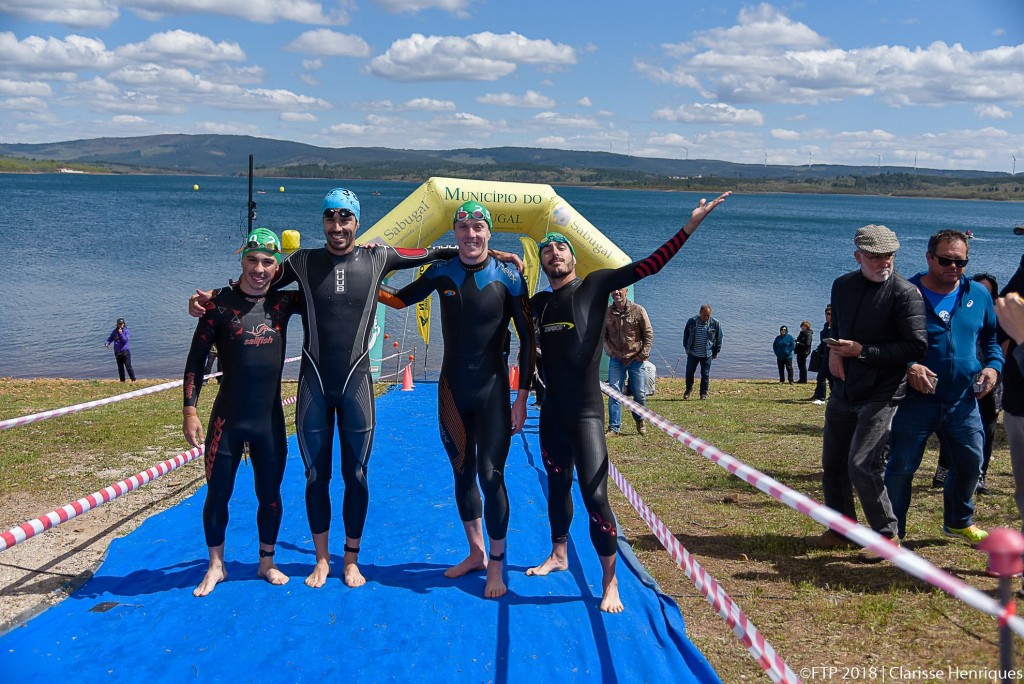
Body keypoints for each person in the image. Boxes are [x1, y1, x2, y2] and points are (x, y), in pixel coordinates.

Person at [190, 188, 461, 589]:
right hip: (314, 387)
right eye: (331, 218)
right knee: (316, 475)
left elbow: (433, 253)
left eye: (345, 218)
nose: (338, 226)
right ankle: (320, 559)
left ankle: (350, 560)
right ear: (323, 221)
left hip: (356, 385)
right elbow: (256, 283)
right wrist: (212, 297)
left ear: (356, 221)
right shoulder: (303, 261)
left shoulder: (378, 257)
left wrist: (490, 255)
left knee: (357, 474)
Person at [525, 192, 730, 613]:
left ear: (573, 258)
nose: (554, 253)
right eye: (546, 251)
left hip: (585, 412)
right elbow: (508, 323)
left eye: (560, 247)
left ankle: (610, 581)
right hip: (550, 412)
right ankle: (558, 554)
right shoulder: (540, 304)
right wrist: (504, 261)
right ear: (542, 264)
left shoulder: (596, 285)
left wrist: (690, 225)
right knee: (557, 487)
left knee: (595, 495)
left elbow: (650, 265)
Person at [378, 201, 535, 600]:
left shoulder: (509, 276)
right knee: (462, 475)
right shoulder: (441, 272)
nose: (471, 235)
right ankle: (476, 553)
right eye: (463, 228)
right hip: (451, 392)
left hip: (494, 393)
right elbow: (398, 300)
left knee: (491, 476)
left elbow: (529, 342)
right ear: (455, 234)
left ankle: (497, 567)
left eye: (478, 227)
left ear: (489, 232)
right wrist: (363, 277)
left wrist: (522, 398)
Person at [182, 228, 301, 596]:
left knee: (271, 494)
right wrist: (190, 409)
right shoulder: (218, 307)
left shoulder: (283, 304)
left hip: (269, 421)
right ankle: (216, 565)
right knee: (218, 494)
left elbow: (324, 279)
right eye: (252, 260)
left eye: (268, 262)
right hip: (227, 420)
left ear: (277, 266)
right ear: (241, 261)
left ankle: (266, 562)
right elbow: (195, 361)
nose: (259, 269)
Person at [804, 224, 927, 561]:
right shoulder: (842, 285)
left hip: (883, 391)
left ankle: (886, 537)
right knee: (833, 463)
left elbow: (917, 346)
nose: (882, 262)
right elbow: (837, 326)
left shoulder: (905, 294)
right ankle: (841, 531)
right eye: (874, 256)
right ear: (858, 256)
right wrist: (832, 350)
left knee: (862, 463)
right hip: (844, 388)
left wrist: (862, 352)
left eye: (888, 256)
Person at [884, 229, 1003, 544]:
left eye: (961, 261)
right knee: (901, 468)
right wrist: (908, 366)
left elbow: (991, 339)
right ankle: (892, 533)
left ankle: (958, 521)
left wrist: (993, 368)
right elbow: (886, 343)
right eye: (945, 260)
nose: (953, 267)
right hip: (916, 401)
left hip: (963, 400)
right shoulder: (905, 293)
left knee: (971, 464)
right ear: (928, 257)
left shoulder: (978, 294)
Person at [932, 273, 1003, 494]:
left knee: (987, 428)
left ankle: (979, 475)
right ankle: (944, 469)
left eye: (988, 291)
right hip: (962, 380)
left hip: (991, 380)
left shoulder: (1000, 318)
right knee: (949, 424)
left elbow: (1002, 348)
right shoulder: (961, 313)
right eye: (979, 289)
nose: (983, 294)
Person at [604, 287, 654, 435]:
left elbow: (648, 334)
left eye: (619, 290)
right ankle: (614, 427)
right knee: (614, 392)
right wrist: (610, 352)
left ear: (626, 291)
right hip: (617, 359)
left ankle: (639, 420)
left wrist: (643, 355)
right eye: (613, 290)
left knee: (639, 393)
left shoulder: (638, 311)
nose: (616, 293)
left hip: (636, 359)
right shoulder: (607, 313)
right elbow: (603, 337)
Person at [682, 304, 723, 400]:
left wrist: (716, 352)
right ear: (700, 313)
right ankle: (688, 389)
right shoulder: (692, 321)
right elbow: (686, 335)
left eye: (708, 315)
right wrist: (686, 348)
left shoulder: (715, 323)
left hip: (707, 354)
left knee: (705, 374)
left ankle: (703, 394)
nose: (706, 317)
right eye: (704, 315)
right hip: (693, 353)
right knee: (689, 372)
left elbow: (719, 338)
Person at [810, 306, 832, 404]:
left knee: (824, 377)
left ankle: (822, 398)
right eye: (826, 314)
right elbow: (823, 341)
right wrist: (818, 350)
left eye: (829, 314)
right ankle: (821, 396)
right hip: (824, 355)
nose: (827, 316)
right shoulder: (826, 326)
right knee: (826, 377)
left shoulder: (835, 327)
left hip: (832, 355)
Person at [105, 317, 136, 382]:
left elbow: (125, 340)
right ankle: (122, 381)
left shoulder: (126, 331)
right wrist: (107, 343)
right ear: (117, 324)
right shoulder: (114, 331)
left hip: (125, 352)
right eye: (119, 324)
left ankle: (133, 379)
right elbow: (110, 338)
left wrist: (121, 333)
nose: (120, 325)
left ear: (124, 324)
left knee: (128, 366)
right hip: (117, 352)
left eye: (122, 324)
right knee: (120, 368)